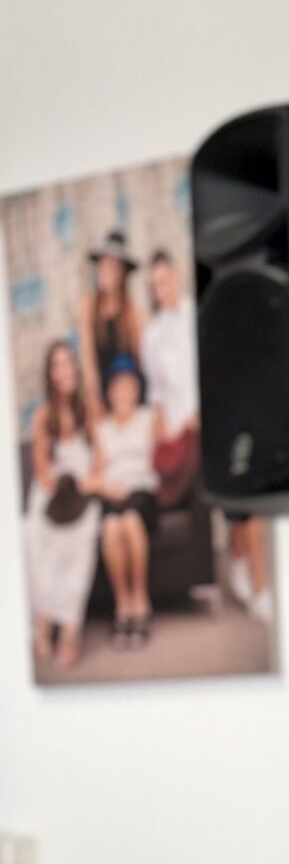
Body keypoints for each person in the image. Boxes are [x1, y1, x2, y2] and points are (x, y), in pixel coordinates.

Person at [22, 339, 103, 671]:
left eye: (69, 362)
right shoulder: (42, 416)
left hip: (82, 498)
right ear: (50, 374)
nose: (65, 370)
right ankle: (43, 625)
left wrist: (85, 485)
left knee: (82, 547)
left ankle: (70, 634)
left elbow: (99, 463)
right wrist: (70, 485)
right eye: (57, 365)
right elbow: (43, 474)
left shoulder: (88, 410)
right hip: (52, 499)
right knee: (36, 537)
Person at [94, 358, 160, 647]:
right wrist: (106, 488)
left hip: (142, 490)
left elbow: (163, 457)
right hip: (113, 492)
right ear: (109, 392)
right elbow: (98, 471)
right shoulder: (101, 428)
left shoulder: (149, 418)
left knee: (131, 521)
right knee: (111, 526)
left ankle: (140, 599)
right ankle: (122, 604)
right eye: (117, 386)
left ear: (137, 390)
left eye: (128, 386)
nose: (123, 392)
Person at [141, 248, 200, 510]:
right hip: (179, 435)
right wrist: (162, 439)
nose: (160, 290)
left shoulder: (197, 313)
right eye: (154, 286)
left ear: (176, 276)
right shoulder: (152, 335)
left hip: (206, 423)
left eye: (163, 281)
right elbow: (157, 394)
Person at [76, 227, 143, 416]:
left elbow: (139, 361)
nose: (106, 271)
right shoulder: (88, 305)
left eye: (112, 266)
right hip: (100, 397)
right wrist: (95, 400)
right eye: (103, 265)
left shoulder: (132, 312)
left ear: (122, 272)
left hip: (128, 395)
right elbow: (88, 360)